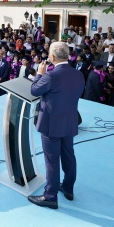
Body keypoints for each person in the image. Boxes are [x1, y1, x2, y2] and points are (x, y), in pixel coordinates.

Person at [28, 42, 85, 209]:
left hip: (51, 124)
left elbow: (34, 90)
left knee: (52, 160)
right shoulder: (78, 74)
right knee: (69, 155)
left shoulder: (50, 76)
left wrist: (39, 74)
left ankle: (50, 196)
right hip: (69, 122)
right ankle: (68, 188)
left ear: (52, 57)